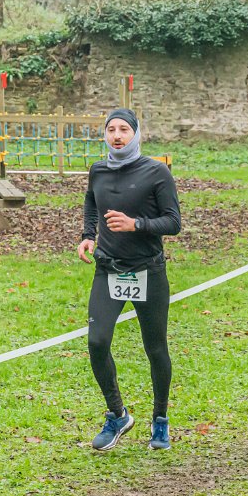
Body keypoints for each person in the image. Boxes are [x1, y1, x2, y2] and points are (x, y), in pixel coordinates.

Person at [77, 108, 181, 451]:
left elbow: (173, 222)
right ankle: (117, 414)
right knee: (97, 342)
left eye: (124, 129)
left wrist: (136, 224)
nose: (117, 135)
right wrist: (88, 234)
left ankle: (160, 420)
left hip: (148, 270)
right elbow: (91, 201)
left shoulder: (156, 172)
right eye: (111, 129)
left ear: (136, 133)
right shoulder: (98, 170)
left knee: (155, 348)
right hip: (108, 268)